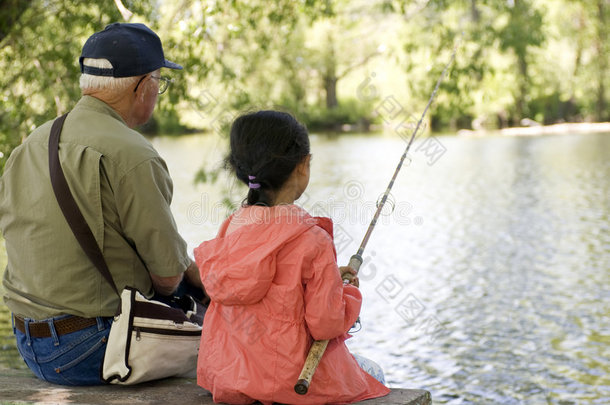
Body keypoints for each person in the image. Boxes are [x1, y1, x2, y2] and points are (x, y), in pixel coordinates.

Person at [0, 23, 205, 386]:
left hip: (29, 345)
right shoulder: (133, 154)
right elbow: (168, 278)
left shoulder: (31, 143)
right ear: (142, 86)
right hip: (92, 348)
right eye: (159, 81)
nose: (158, 91)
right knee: (225, 322)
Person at [193, 110, 391, 404]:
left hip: (227, 378)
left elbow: (265, 282)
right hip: (291, 383)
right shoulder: (312, 238)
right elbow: (326, 324)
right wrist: (346, 295)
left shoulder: (231, 227)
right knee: (374, 371)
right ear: (304, 165)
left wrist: (329, 279)